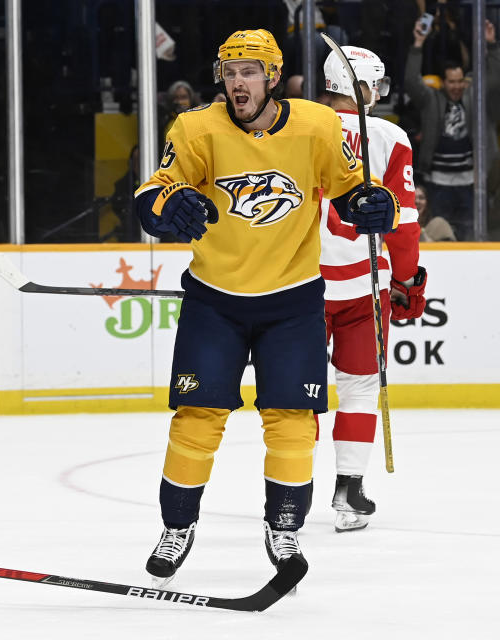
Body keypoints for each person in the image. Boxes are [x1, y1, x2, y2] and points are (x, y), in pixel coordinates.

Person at [133, 29, 399, 583]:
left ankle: (284, 530)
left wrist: (374, 205)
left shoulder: (317, 125)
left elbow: (351, 188)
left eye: (249, 72)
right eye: (230, 73)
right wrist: (168, 205)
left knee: (293, 421)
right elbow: (155, 190)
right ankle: (177, 527)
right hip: (215, 300)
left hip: (293, 301)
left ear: (273, 77)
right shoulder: (196, 127)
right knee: (197, 420)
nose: (237, 83)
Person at [320, 46, 426, 532]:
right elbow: (403, 223)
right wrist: (406, 279)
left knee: (294, 394)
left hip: (300, 284)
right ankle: (349, 492)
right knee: (360, 387)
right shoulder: (389, 135)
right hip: (365, 284)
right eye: (374, 86)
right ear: (361, 88)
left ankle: (288, 497)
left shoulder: (296, 125)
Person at [405, 18, 500, 241]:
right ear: (443, 82)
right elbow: (410, 81)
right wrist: (418, 44)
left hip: (470, 183)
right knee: (441, 236)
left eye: (460, 81)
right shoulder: (431, 100)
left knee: (473, 236)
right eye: (451, 82)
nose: (456, 86)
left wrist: (492, 45)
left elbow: (495, 79)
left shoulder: (474, 97)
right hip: (439, 184)